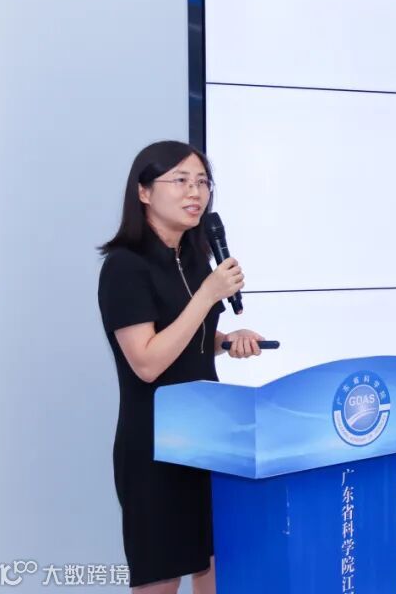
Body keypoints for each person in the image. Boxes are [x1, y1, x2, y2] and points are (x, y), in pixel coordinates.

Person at [97, 140, 267, 592]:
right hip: (157, 444)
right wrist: (208, 295)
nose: (195, 192)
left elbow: (187, 336)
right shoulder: (124, 267)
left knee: (214, 564)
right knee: (162, 576)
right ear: (144, 192)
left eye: (203, 182)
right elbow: (148, 361)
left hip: (210, 436)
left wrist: (226, 340)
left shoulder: (193, 260)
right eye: (180, 180)